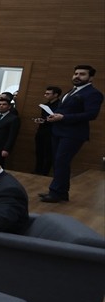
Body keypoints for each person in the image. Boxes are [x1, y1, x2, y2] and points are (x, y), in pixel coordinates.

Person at [41, 64, 103, 204]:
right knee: (59, 162)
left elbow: (91, 114)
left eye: (82, 74)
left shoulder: (93, 93)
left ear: (91, 77)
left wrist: (64, 117)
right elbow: (67, 109)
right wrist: (56, 115)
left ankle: (55, 192)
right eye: (76, 73)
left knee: (61, 161)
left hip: (73, 133)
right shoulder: (71, 91)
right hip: (59, 130)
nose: (77, 76)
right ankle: (61, 192)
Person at [32, 85, 61, 175]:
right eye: (45, 93)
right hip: (42, 131)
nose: (45, 95)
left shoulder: (60, 105)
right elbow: (44, 117)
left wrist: (45, 120)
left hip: (52, 133)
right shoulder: (46, 105)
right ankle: (38, 171)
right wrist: (40, 120)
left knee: (48, 154)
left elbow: (58, 119)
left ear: (56, 95)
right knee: (39, 152)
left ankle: (44, 173)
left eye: (48, 94)